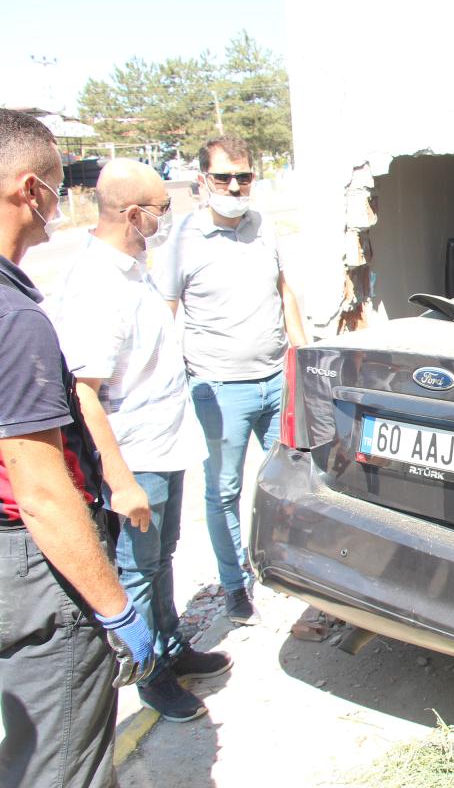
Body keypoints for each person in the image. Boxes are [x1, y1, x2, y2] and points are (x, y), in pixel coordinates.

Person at [47, 159, 233, 723]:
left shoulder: (132, 266)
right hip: (135, 458)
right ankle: (150, 675)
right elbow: (84, 393)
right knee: (136, 569)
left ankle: (172, 649)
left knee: (161, 560)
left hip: (165, 444)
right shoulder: (98, 285)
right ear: (133, 214)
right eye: (162, 209)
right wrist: (120, 479)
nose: (166, 219)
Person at [0, 109, 155, 787]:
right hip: (34, 570)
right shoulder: (17, 320)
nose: (63, 200)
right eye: (62, 182)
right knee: (63, 764)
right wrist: (114, 608)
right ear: (31, 189)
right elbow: (39, 491)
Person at [153, 135, 307, 624]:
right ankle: (236, 587)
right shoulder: (183, 239)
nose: (235, 185)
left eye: (243, 176)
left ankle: (290, 570)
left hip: (275, 380)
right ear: (203, 181)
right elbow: (164, 316)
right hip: (221, 389)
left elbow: (286, 294)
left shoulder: (264, 228)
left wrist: (302, 364)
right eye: (224, 177)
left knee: (293, 481)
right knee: (223, 491)